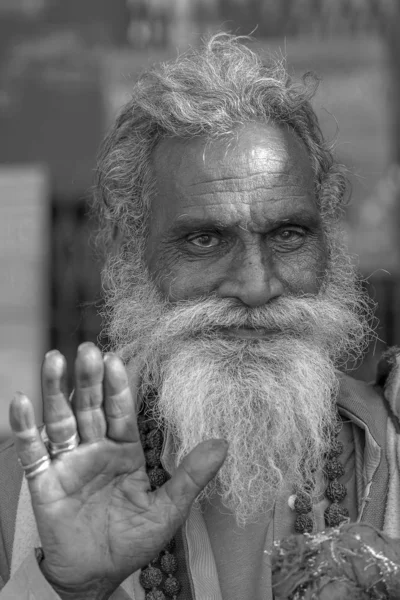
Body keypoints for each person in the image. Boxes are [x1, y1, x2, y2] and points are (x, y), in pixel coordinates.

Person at [1, 33, 400, 600]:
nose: (257, 287)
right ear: (128, 250)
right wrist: (66, 586)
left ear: (328, 243)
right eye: (205, 240)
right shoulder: (23, 499)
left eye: (289, 234)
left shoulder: (393, 452)